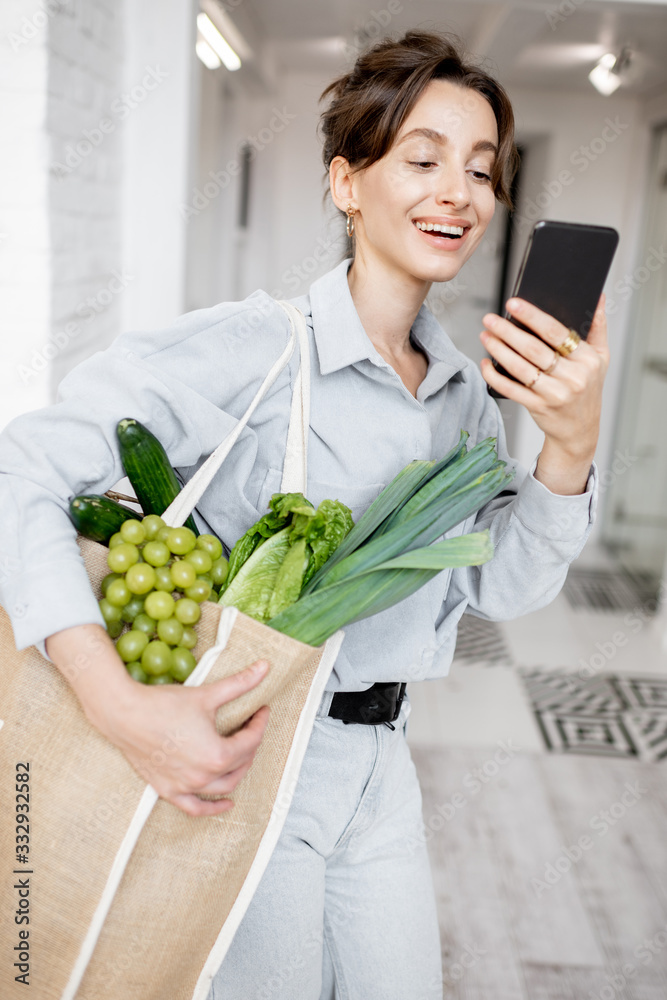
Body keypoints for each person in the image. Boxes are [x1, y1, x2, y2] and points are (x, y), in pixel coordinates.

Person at [0, 29, 607, 1000]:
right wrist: (119, 705)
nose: (458, 190)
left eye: (482, 170)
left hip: (386, 764)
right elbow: (18, 466)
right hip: (253, 764)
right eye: (421, 159)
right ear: (346, 183)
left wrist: (570, 447)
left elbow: (501, 579)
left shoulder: (462, 395)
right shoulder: (252, 350)